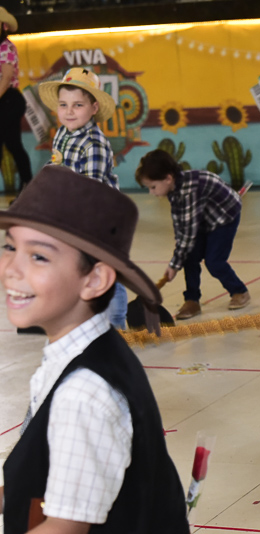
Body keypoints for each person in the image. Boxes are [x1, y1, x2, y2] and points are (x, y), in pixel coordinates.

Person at [0, 165, 190, 533]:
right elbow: (46, 480)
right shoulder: (84, 353)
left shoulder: (83, 392)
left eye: (38, 256)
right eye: (10, 246)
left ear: (95, 279)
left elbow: (65, 527)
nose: (11, 268)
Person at [38, 67, 129, 329]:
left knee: (107, 271)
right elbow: (57, 165)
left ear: (93, 108)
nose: (69, 111)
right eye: (63, 105)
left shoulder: (94, 144)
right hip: (75, 218)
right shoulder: (63, 134)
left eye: (78, 105)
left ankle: (117, 327)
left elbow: (91, 192)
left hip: (101, 220)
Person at [135, 149, 250, 319]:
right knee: (189, 257)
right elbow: (181, 229)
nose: (151, 192)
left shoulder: (189, 191)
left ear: (168, 178)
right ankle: (192, 300)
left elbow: (188, 234)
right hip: (202, 217)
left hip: (224, 217)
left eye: (153, 187)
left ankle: (239, 291)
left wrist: (174, 265)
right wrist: (178, 260)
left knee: (214, 262)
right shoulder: (174, 189)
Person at [0, 7, 33, 194]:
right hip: (4, 100)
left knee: (13, 144)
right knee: (11, 144)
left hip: (9, 100)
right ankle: (27, 184)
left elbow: (6, 78)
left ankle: (27, 183)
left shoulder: (6, 46)